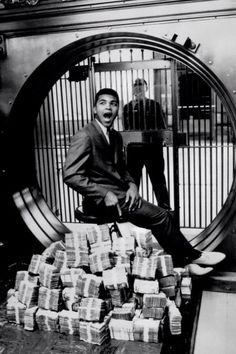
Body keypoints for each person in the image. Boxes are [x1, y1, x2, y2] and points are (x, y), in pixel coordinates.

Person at [63, 88, 225, 276]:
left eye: (113, 104)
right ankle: (194, 256)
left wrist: (132, 184)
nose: (108, 107)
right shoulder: (85, 135)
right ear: (94, 109)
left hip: (122, 195)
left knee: (158, 218)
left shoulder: (115, 136)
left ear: (117, 110)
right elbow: (71, 174)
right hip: (100, 202)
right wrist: (103, 193)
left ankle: (185, 262)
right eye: (103, 103)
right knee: (161, 216)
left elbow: (121, 168)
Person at [123, 78, 170, 209]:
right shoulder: (127, 108)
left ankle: (165, 208)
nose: (138, 88)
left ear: (146, 88)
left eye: (141, 85)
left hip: (153, 149)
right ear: (132, 89)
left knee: (158, 181)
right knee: (133, 182)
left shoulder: (155, 105)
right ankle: (132, 208)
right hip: (134, 150)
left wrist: (162, 141)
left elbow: (162, 127)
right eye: (135, 85)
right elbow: (126, 130)